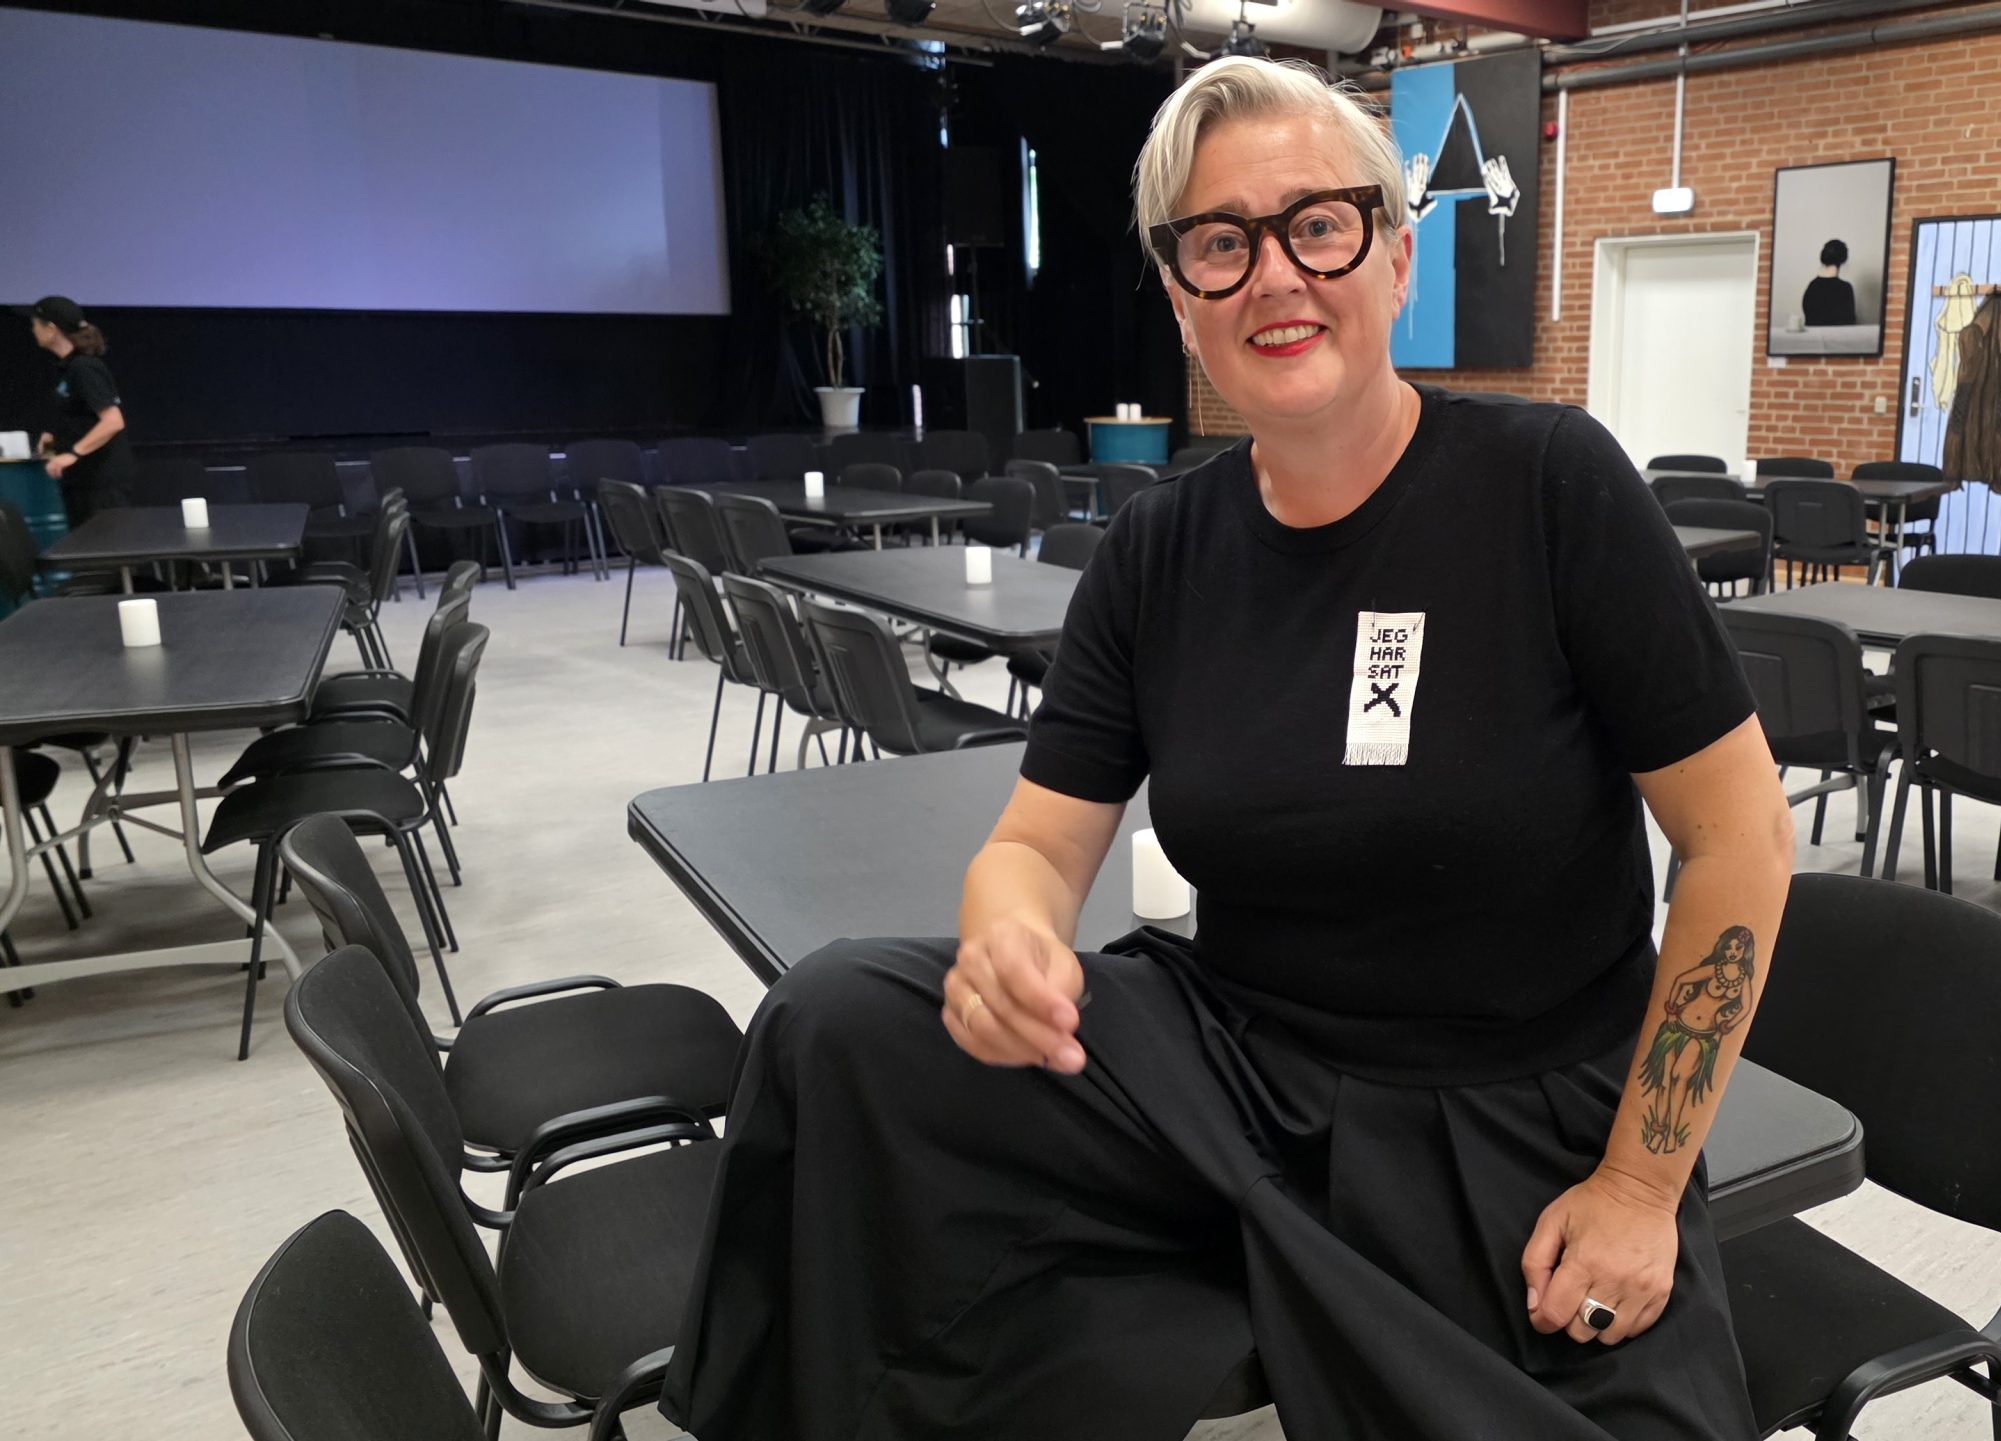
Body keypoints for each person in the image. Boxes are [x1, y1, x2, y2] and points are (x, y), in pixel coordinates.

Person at [663, 56, 1792, 1441]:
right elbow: (1037, 846)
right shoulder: (1160, 547)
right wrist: (1007, 938)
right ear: (1181, 296)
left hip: (1505, 1102)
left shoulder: (1550, 484)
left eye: (1317, 226)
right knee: (839, 1020)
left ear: (1395, 256)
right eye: (1220, 244)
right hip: (1229, 1064)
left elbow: (1740, 839)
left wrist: (1640, 1184)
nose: (1275, 276)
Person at [24, 296, 134, 528]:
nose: (33, 330)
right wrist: (57, 437)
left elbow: (113, 421)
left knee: (103, 548)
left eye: (35, 324)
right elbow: (82, 417)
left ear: (51, 329)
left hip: (101, 484)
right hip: (81, 482)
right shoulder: (67, 368)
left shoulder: (84, 367)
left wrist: (73, 453)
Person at [1800, 239, 1858, 327]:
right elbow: (1849, 322)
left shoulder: (1812, 286)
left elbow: (1809, 320)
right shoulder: (1845, 289)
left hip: (1814, 335)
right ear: (1843, 260)